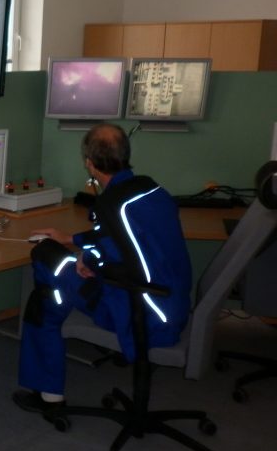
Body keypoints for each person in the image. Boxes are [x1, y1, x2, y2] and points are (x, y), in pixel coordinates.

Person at [13, 123, 192, 413]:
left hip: (142, 318)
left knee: (45, 267)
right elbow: (124, 237)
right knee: (58, 283)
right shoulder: (150, 190)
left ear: (90, 164)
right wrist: (74, 241)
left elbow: (107, 254)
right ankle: (51, 364)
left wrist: (88, 258)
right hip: (173, 308)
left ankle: (49, 396)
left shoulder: (109, 206)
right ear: (126, 155)